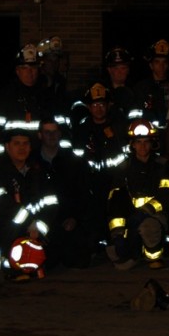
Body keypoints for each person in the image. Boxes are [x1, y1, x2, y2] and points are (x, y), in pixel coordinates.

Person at [0, 128, 58, 281]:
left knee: (54, 258)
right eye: (16, 144)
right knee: (11, 228)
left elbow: (52, 202)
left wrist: (39, 230)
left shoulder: (36, 169)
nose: (22, 148)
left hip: (27, 224)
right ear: (7, 147)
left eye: (26, 144)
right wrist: (29, 223)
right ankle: (9, 265)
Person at [104, 119, 169, 270]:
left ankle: (154, 256)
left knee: (148, 228)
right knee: (119, 254)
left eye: (146, 142)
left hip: (155, 215)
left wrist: (145, 212)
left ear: (152, 143)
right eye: (138, 142)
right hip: (131, 216)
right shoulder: (123, 168)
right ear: (132, 144)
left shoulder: (162, 166)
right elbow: (115, 199)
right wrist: (118, 234)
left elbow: (166, 194)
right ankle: (132, 251)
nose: (142, 146)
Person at [72, 82, 129, 250]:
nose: (98, 109)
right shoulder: (82, 130)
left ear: (108, 106)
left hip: (114, 180)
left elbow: (125, 155)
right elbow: (77, 158)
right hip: (90, 182)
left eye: (102, 105)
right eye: (95, 105)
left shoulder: (117, 128)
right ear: (89, 107)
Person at [31, 117, 94, 269]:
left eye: (54, 132)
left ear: (60, 134)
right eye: (47, 132)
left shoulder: (73, 161)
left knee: (79, 261)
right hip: (41, 222)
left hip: (68, 220)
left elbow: (83, 193)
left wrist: (74, 218)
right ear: (40, 135)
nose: (51, 136)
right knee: (45, 263)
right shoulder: (31, 161)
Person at [0, 43, 45, 158]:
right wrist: (0, 161)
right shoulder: (5, 97)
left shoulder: (44, 96)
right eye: (25, 68)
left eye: (33, 67)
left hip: (37, 161)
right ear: (17, 71)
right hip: (10, 161)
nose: (30, 72)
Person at [133, 39, 169, 151]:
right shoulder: (141, 88)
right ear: (151, 65)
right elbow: (135, 116)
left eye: (164, 62)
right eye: (157, 62)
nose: (161, 66)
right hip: (147, 140)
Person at [36, 36, 69, 116]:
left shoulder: (60, 82)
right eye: (50, 60)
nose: (54, 64)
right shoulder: (34, 82)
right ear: (42, 62)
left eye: (56, 61)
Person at [102, 46, 137, 121]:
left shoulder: (136, 90)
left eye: (123, 68)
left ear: (128, 70)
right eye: (116, 68)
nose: (120, 72)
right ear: (109, 70)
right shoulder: (102, 91)